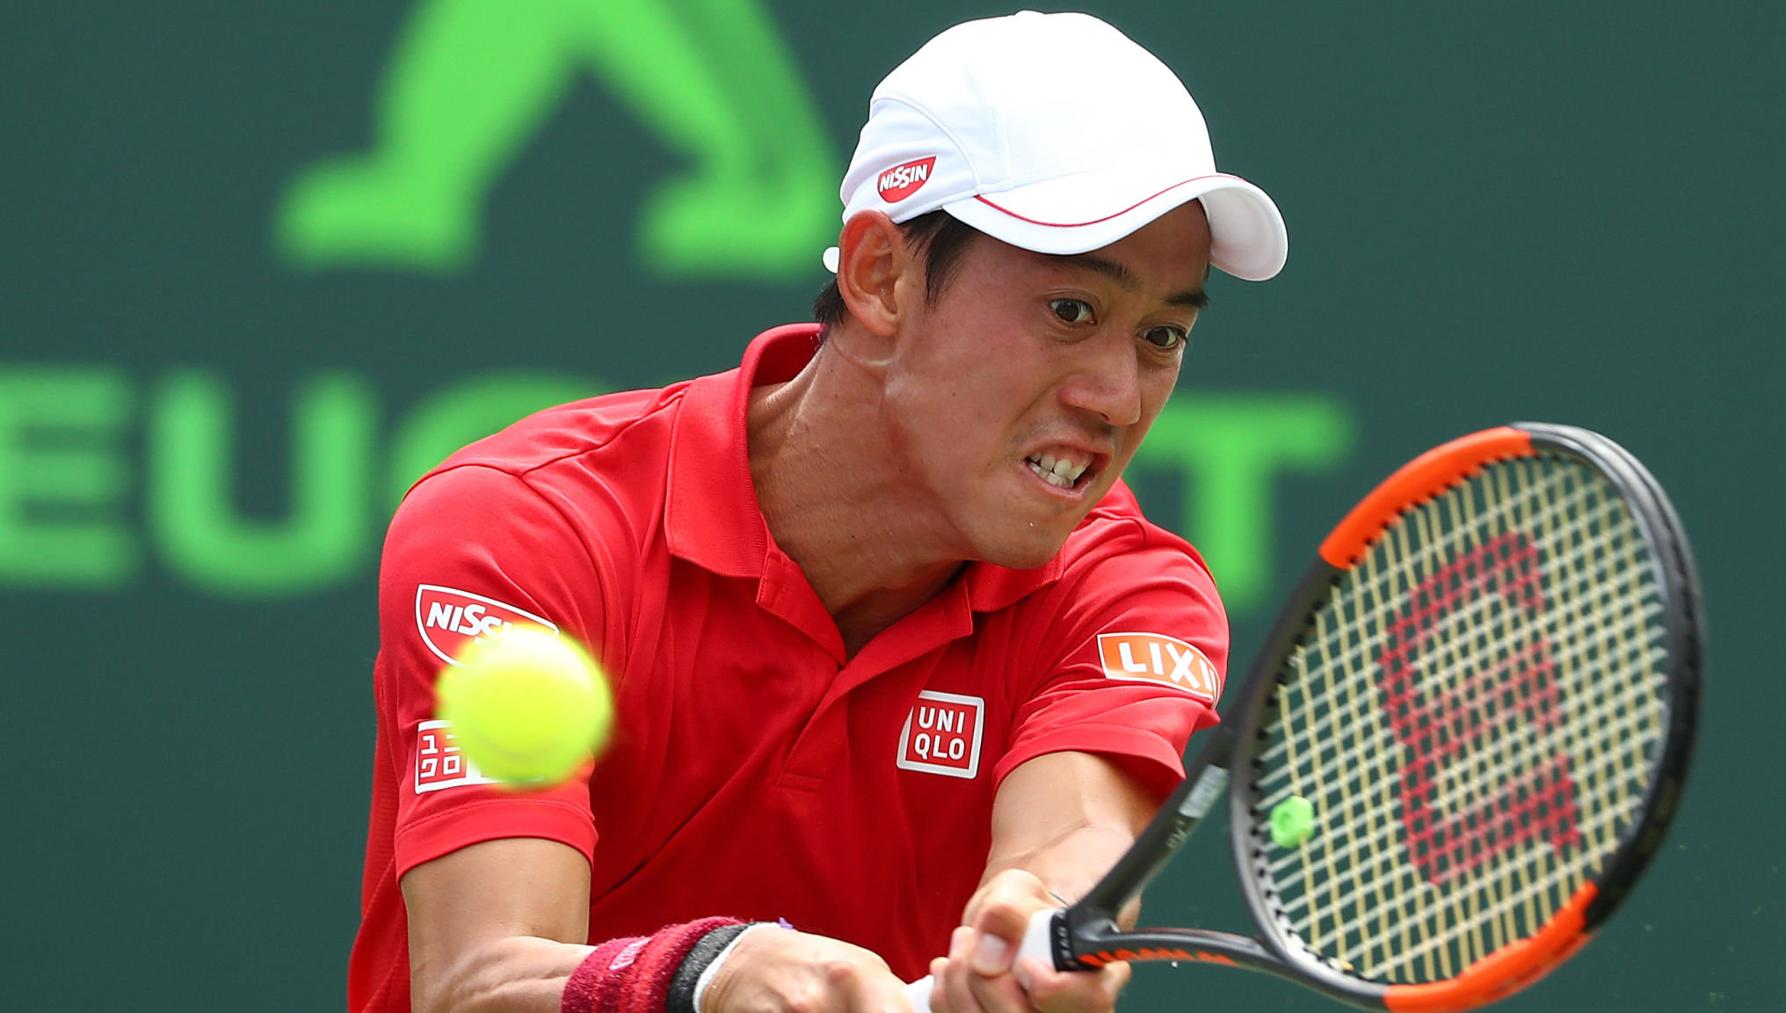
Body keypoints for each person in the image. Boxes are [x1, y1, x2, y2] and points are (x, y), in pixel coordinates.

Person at [347, 10, 1287, 1013]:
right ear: (882, 276)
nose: (1119, 397)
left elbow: (1071, 840)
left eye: (1161, 335)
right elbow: (477, 981)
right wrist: (707, 976)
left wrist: (1033, 923)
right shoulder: (526, 527)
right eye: (1071, 311)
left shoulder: (1133, 594)